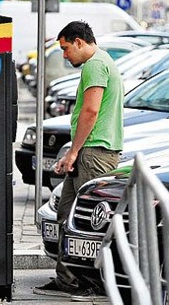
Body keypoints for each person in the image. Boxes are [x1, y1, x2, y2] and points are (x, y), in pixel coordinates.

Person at [34, 21, 124, 300]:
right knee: (67, 215)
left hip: (95, 153)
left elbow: (91, 110)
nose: (64, 55)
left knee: (90, 221)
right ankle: (68, 280)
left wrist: (73, 152)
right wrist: (73, 153)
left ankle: (93, 283)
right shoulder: (100, 61)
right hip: (87, 152)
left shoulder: (96, 65)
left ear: (79, 42)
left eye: (65, 48)